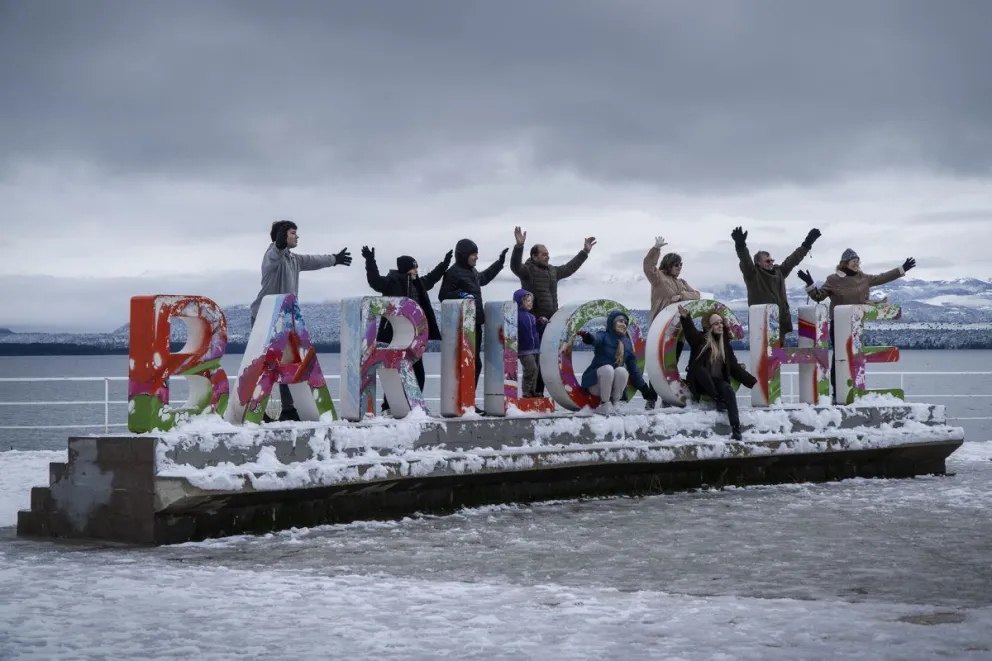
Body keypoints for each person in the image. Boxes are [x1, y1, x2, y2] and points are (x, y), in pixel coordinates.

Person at [249, 220, 351, 422]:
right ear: (282, 236)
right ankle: (256, 411)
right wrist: (279, 244)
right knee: (265, 366)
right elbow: (275, 254)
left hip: (286, 320)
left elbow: (313, 260)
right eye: (293, 233)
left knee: (287, 366)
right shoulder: (272, 256)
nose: (297, 237)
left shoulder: (294, 260)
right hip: (265, 318)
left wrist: (335, 259)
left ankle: (288, 409)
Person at [798, 249, 916, 404]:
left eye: (857, 260)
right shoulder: (833, 279)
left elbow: (882, 277)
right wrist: (810, 284)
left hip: (856, 324)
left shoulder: (863, 278)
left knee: (855, 357)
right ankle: (837, 391)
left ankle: (853, 391)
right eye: (853, 260)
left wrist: (902, 269)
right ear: (844, 263)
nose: (856, 263)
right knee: (840, 358)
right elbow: (818, 297)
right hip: (838, 324)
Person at [361, 245, 453, 415]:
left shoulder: (419, 284)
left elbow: (432, 277)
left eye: (417, 266)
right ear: (406, 269)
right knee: (394, 372)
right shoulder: (392, 282)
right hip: (395, 335)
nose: (416, 270)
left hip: (416, 337)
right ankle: (387, 407)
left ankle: (414, 406)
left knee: (419, 373)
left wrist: (445, 263)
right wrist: (370, 260)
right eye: (414, 266)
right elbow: (375, 281)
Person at [510, 226, 596, 396]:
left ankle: (539, 394)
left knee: (546, 361)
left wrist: (585, 252)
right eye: (543, 254)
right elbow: (514, 266)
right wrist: (519, 246)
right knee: (534, 360)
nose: (547, 256)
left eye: (548, 253)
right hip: (534, 323)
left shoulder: (553, 271)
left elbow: (570, 267)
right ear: (534, 256)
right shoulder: (528, 271)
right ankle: (530, 394)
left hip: (551, 323)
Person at [438, 239, 508, 409]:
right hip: (461, 327)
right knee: (469, 364)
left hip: (475, 324)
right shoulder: (453, 272)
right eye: (473, 254)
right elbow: (443, 295)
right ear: (463, 255)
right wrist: (460, 294)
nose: (477, 257)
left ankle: (467, 401)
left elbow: (483, 278)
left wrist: (499, 263)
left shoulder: (472, 272)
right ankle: (463, 401)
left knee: (475, 364)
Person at [677, 305, 756, 440]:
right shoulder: (700, 340)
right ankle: (717, 399)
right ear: (709, 326)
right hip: (700, 382)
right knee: (699, 369)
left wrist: (752, 381)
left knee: (728, 389)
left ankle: (736, 428)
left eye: (721, 322)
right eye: (716, 323)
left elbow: (735, 367)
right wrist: (686, 318)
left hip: (717, 382)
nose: (720, 325)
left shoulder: (725, 345)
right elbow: (691, 334)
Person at [731, 225, 821, 343]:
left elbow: (793, 259)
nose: (771, 263)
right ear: (758, 263)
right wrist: (741, 246)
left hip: (781, 323)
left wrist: (807, 243)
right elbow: (745, 260)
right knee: (764, 359)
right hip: (762, 324)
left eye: (772, 260)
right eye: (767, 261)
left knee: (777, 357)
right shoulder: (753, 275)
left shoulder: (780, 272)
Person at [577, 310, 657, 415]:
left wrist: (645, 389)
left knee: (622, 371)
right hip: (596, 384)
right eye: (620, 321)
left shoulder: (627, 344)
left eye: (625, 323)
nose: (623, 324)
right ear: (612, 323)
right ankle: (605, 403)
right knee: (608, 369)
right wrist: (588, 338)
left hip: (613, 387)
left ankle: (615, 404)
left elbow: (634, 370)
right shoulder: (603, 335)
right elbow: (595, 339)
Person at [643, 235, 701, 364]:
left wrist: (681, 296)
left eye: (681, 264)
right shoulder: (658, 277)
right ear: (668, 265)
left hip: (678, 330)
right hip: (661, 328)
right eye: (676, 264)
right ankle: (654, 385)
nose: (679, 267)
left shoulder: (681, 282)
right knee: (660, 363)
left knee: (673, 363)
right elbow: (648, 267)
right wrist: (655, 249)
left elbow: (697, 295)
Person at [514, 289, 541, 398]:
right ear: (519, 302)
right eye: (527, 301)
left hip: (535, 348)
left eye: (531, 301)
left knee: (535, 371)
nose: (530, 303)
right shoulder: (516, 316)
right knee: (531, 369)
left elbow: (534, 331)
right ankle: (526, 392)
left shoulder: (532, 317)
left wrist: (540, 322)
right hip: (524, 349)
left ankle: (532, 391)